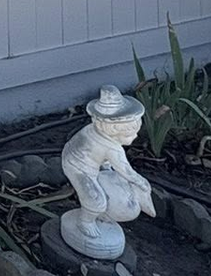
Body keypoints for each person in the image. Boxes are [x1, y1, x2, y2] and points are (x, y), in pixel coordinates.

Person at [59, 86, 156, 259]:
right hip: (78, 166)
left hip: (82, 158)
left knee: (106, 179)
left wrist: (105, 167)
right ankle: (85, 221)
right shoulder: (113, 149)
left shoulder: (94, 130)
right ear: (110, 129)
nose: (134, 137)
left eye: (135, 132)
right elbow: (127, 172)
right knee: (96, 200)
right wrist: (142, 183)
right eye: (128, 134)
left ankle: (97, 213)